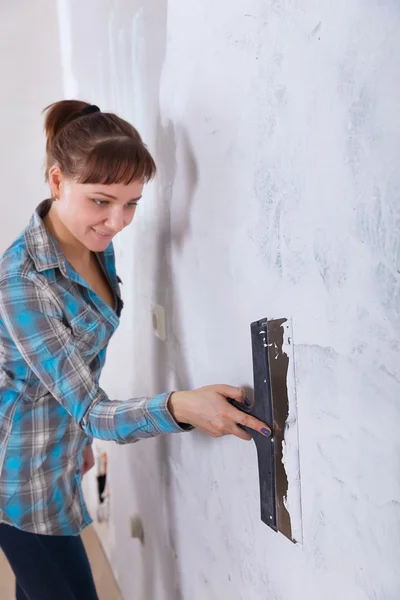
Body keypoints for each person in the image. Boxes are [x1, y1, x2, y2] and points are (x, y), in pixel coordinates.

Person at [0, 100, 271, 600]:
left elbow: (72, 371)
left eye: (131, 203)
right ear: (57, 182)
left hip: (56, 451)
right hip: (17, 478)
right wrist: (182, 406)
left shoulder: (93, 241)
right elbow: (92, 409)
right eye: (102, 201)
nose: (118, 221)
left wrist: (75, 445)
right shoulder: (21, 284)